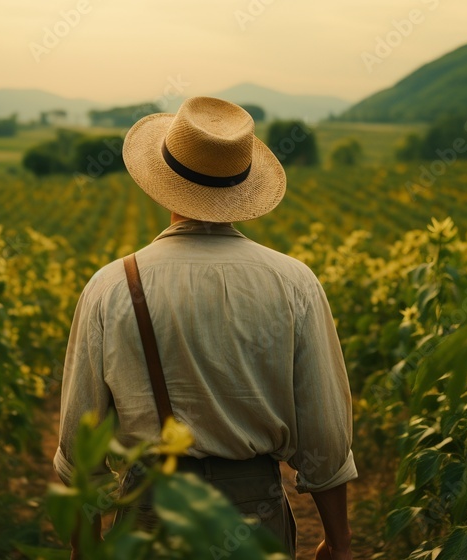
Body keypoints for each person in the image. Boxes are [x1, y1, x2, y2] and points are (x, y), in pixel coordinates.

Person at [54, 96, 357, 559]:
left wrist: (85, 548)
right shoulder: (294, 282)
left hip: (152, 512)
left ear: (161, 184)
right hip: (254, 515)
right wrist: (338, 542)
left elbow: (80, 442)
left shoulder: (112, 286)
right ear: (242, 186)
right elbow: (326, 436)